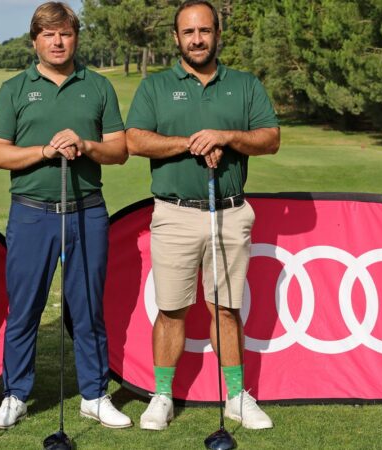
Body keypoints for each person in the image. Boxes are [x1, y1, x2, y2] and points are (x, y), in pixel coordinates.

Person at [125, 0, 280, 431]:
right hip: (174, 213)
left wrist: (226, 136)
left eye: (205, 31)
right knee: (171, 308)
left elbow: (270, 138)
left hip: (229, 212)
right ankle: (162, 395)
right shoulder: (155, 87)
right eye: (188, 32)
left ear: (217, 34)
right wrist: (193, 142)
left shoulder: (244, 84)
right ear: (176, 38)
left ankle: (235, 397)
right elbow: (136, 140)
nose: (197, 39)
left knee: (226, 308)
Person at [0, 1, 131, 430]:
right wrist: (45, 152)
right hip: (32, 214)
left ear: (76, 38)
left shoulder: (98, 86)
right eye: (48, 34)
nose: (57, 41)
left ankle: (94, 394)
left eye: (65, 33)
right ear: (35, 41)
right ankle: (15, 394)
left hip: (86, 210)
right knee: (25, 309)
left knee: (88, 309)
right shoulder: (15, 88)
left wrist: (85, 146)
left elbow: (120, 149)